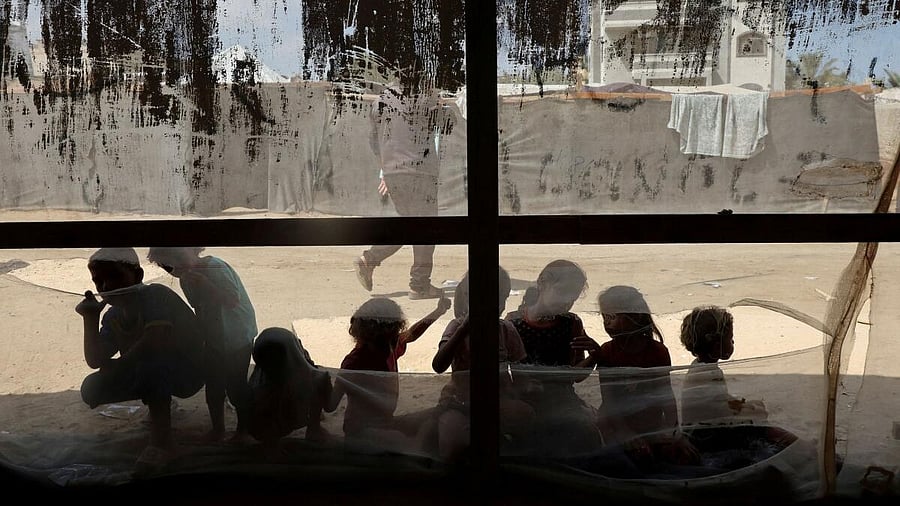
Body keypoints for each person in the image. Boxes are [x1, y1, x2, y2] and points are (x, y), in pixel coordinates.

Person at [76, 248, 204, 474]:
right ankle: (159, 405)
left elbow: (156, 340)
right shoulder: (113, 316)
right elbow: (96, 360)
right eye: (99, 281)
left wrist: (119, 365)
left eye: (114, 277)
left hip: (190, 372)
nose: (106, 288)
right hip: (154, 370)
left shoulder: (155, 295)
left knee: (150, 363)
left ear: (138, 276)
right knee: (92, 388)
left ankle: (162, 443)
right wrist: (90, 318)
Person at [353, 73, 455, 300]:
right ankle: (419, 285)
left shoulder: (380, 101)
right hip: (419, 173)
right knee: (426, 229)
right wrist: (445, 107)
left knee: (408, 225)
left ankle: (370, 259)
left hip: (393, 172)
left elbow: (374, 140)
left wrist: (387, 169)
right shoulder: (424, 98)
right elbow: (447, 125)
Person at [147, 247, 257, 443]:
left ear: (193, 250)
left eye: (179, 258)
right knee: (214, 385)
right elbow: (198, 306)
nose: (174, 268)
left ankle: (243, 429)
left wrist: (206, 284)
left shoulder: (215, 266)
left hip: (237, 334)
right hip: (214, 337)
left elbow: (232, 299)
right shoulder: (185, 280)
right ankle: (218, 429)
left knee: (236, 384)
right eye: (167, 266)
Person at [584, 285, 696, 468]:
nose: (607, 324)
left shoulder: (658, 352)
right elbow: (610, 402)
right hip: (615, 425)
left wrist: (671, 432)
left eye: (612, 317)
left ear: (634, 317)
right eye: (604, 318)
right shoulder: (607, 352)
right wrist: (627, 435)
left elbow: (666, 396)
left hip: (650, 424)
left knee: (683, 457)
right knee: (629, 462)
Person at [432, 267, 535, 461]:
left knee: (526, 418)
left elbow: (521, 369)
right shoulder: (456, 327)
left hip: (499, 401)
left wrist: (521, 390)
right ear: (468, 298)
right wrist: (463, 329)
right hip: (459, 402)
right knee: (452, 447)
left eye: (502, 298)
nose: (498, 305)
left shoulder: (506, 329)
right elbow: (439, 365)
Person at [504, 259, 602, 457]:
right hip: (525, 403)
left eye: (572, 298)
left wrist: (595, 355)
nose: (567, 302)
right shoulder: (511, 323)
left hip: (563, 403)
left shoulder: (571, 323)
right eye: (563, 294)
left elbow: (575, 374)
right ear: (542, 284)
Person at [328, 296, 451, 452]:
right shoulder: (354, 362)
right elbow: (331, 404)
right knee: (409, 443)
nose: (398, 336)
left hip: (386, 422)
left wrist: (437, 311)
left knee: (435, 416)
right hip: (361, 431)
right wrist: (320, 383)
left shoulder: (388, 346)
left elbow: (411, 335)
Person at [246, 327, 334, 455]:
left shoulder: (259, 383)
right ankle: (314, 428)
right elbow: (329, 405)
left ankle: (273, 443)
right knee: (320, 380)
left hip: (271, 427)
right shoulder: (312, 378)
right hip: (292, 418)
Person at [679, 306, 767, 425]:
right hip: (705, 432)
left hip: (704, 423)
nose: (733, 342)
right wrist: (738, 408)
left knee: (756, 405)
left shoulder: (698, 366)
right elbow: (719, 413)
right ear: (716, 346)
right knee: (758, 412)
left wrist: (734, 403)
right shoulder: (709, 374)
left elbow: (715, 399)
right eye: (730, 339)